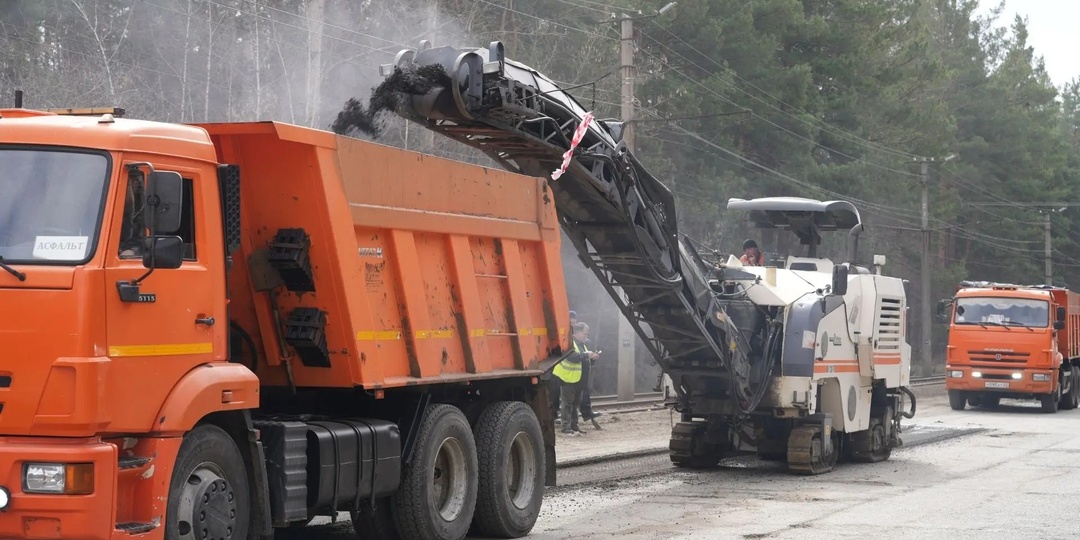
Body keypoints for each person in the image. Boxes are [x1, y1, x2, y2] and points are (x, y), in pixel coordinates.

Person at [552, 322, 598, 436]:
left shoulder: (582, 344)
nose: (586, 336)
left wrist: (592, 358)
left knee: (575, 404)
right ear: (576, 333)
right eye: (584, 334)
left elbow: (583, 360)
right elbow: (573, 358)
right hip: (569, 379)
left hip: (579, 380)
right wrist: (587, 355)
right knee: (567, 404)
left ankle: (574, 425)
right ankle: (566, 426)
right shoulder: (569, 343)